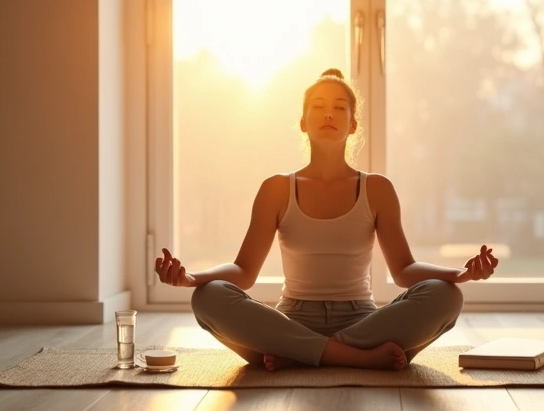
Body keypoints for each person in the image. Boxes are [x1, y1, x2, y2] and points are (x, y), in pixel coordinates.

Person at [154, 67, 499, 371]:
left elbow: (404, 271)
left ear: (353, 124)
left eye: (339, 108)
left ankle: (304, 355)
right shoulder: (277, 189)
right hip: (291, 320)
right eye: (318, 107)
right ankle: (353, 357)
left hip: (363, 320)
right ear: (303, 123)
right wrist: (190, 279)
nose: (328, 114)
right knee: (206, 297)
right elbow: (243, 272)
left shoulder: (376, 189)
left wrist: (461, 274)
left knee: (448, 297)